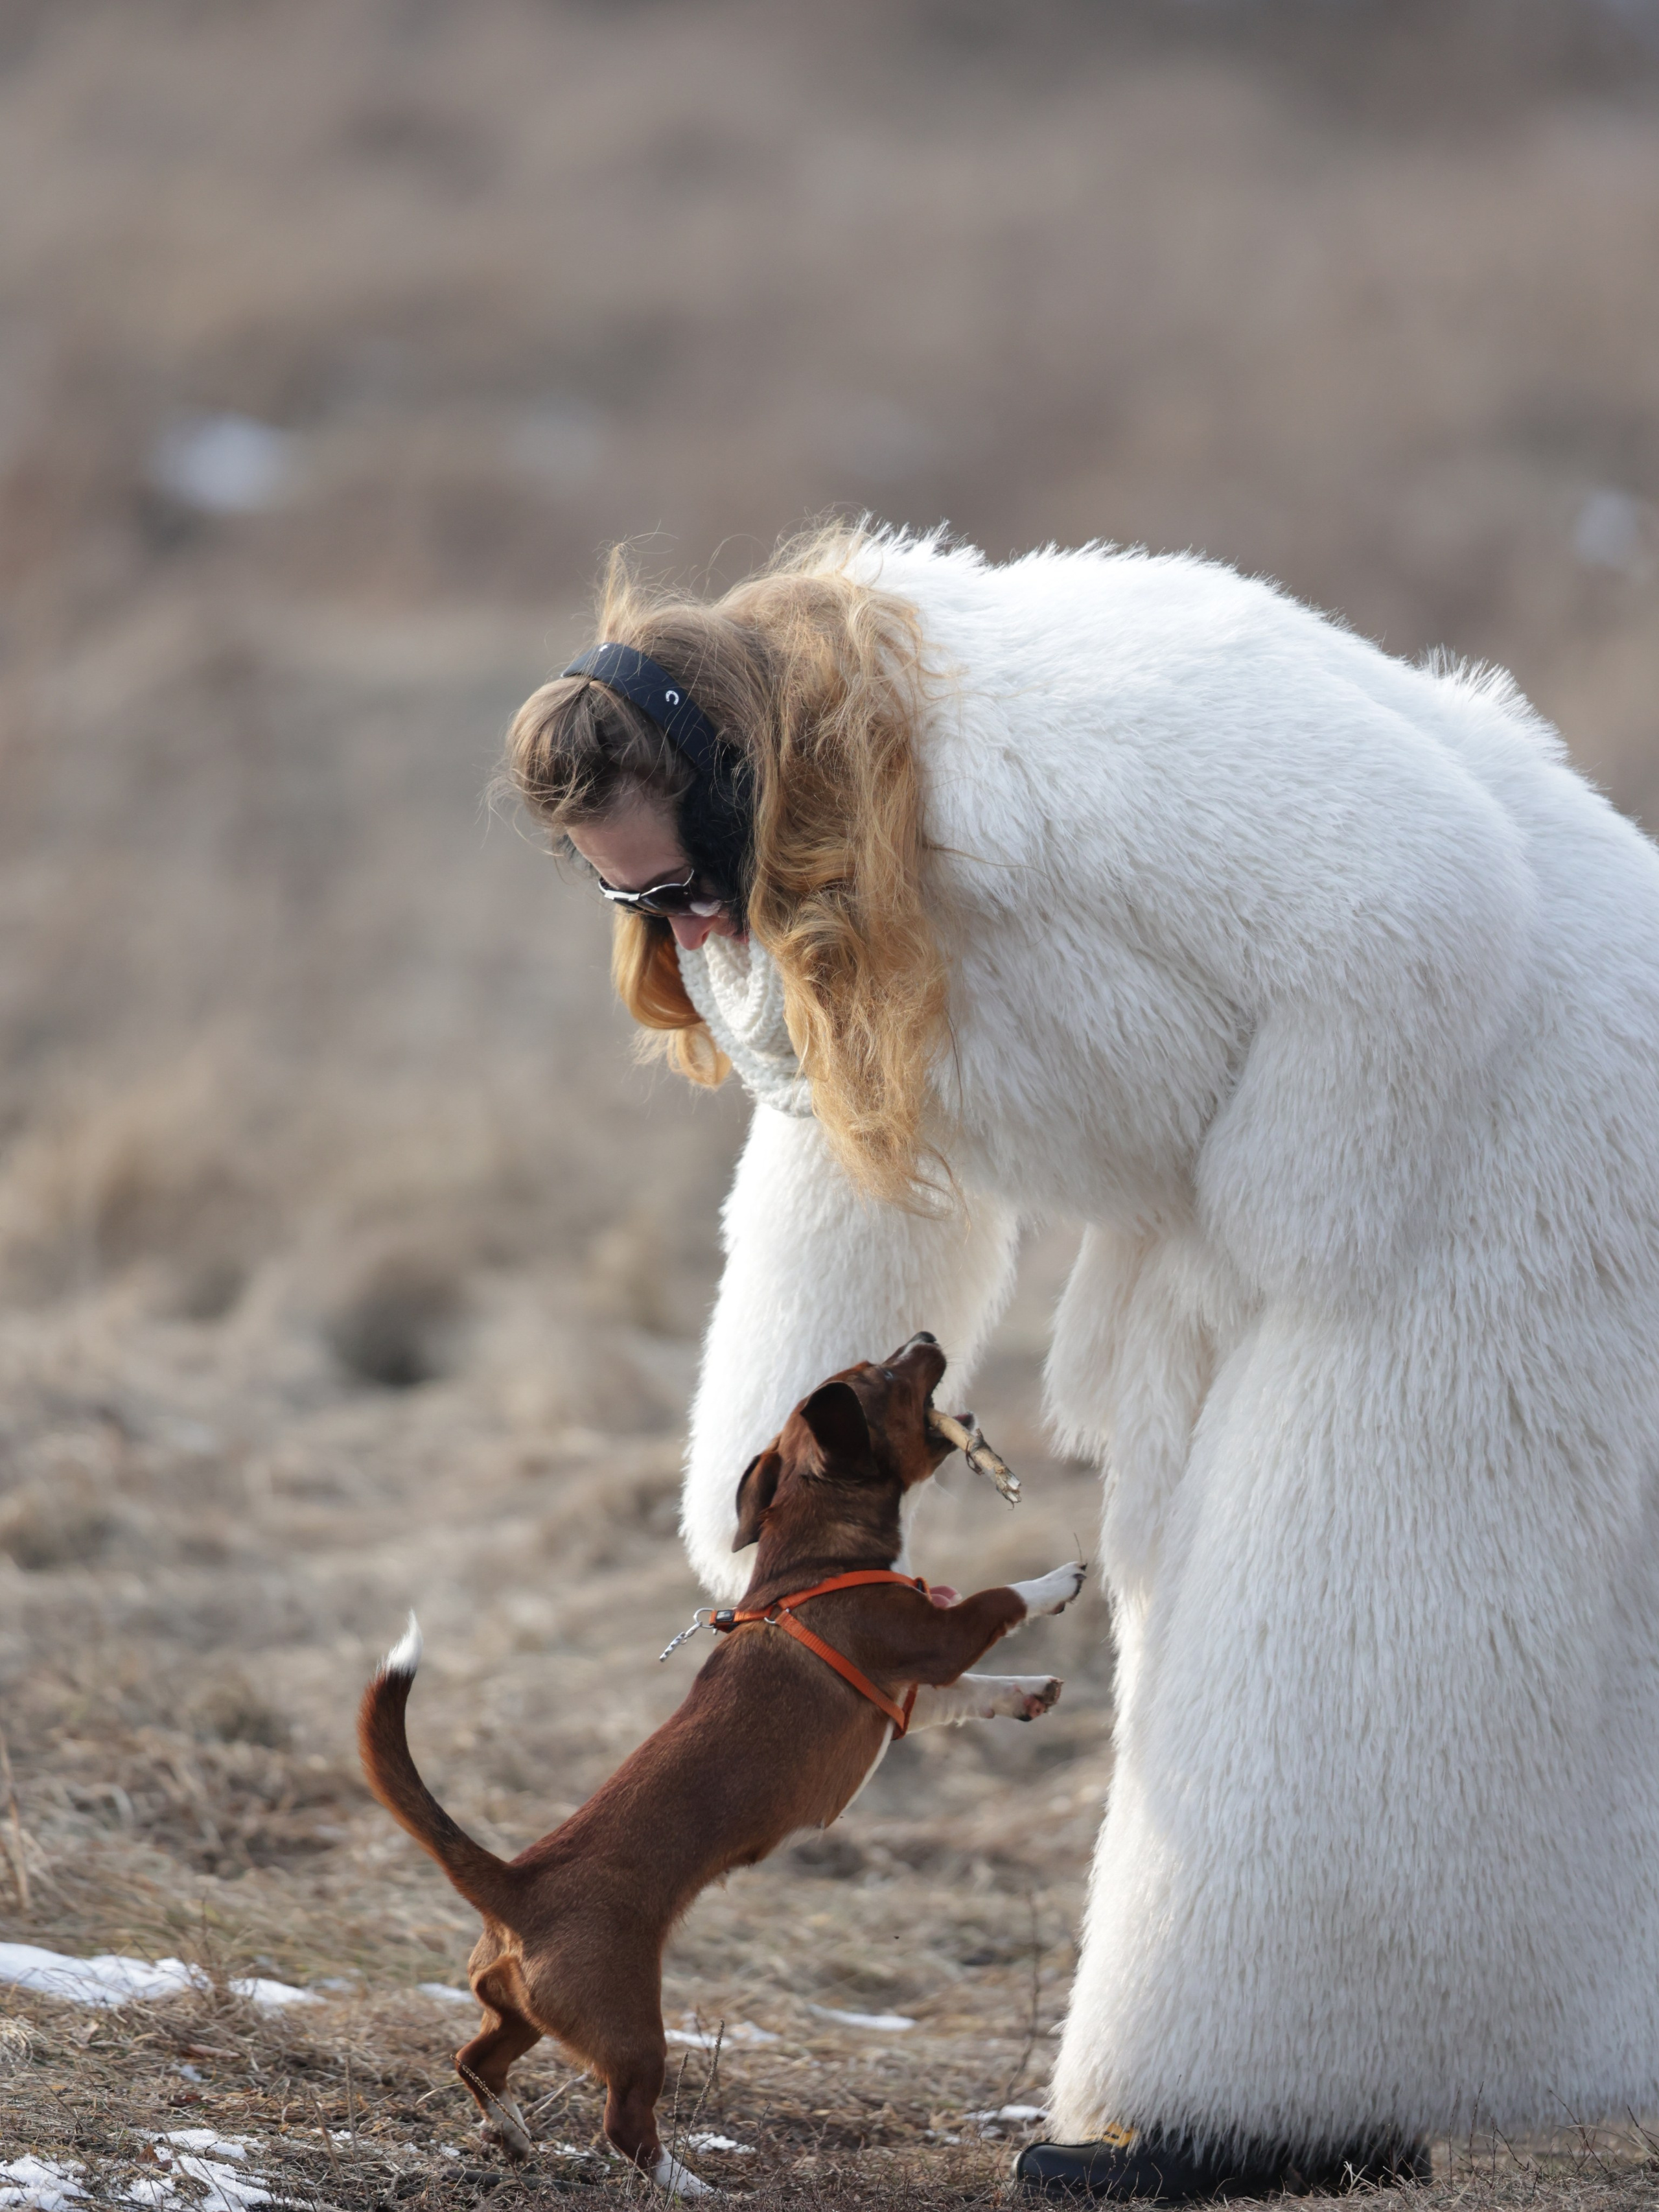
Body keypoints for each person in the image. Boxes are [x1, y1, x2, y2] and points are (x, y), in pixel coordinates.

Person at [502, 525, 1659, 2201]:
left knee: (1321, 1613)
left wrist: (1293, 1225)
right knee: (1213, 1573)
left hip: (1539, 1092)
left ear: (755, 787)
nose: (677, 932)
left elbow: (1418, 896)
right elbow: (859, 1151)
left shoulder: (1075, 727)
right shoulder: (813, 864)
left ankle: (1238, 2113)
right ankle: (1322, 2078)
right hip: (1373, 1138)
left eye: (682, 883)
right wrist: (775, 1493)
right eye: (633, 899)